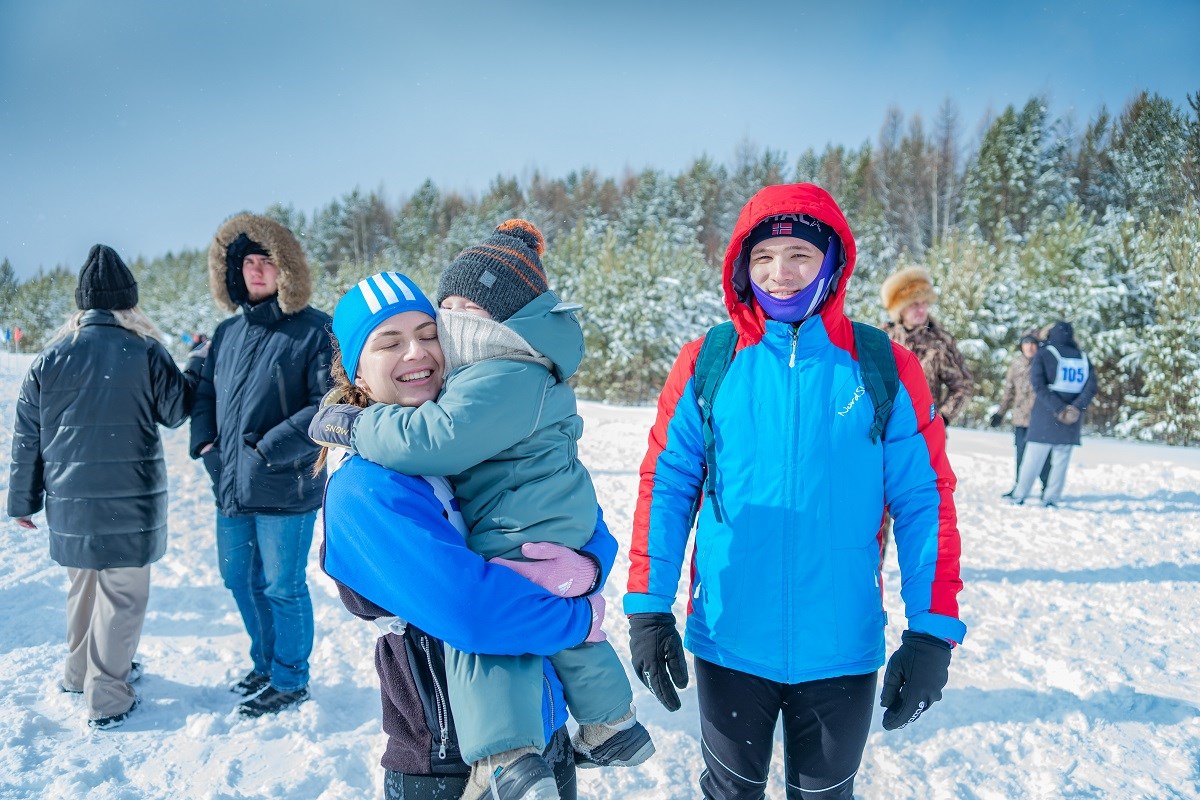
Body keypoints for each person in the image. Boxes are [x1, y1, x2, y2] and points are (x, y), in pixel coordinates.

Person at [626, 184, 966, 799]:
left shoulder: (883, 365)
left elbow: (925, 498)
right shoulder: (710, 359)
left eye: (800, 255)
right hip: (731, 636)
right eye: (763, 258)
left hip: (840, 645)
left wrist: (931, 630)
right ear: (741, 266)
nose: (780, 274)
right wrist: (649, 606)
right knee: (730, 792)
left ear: (833, 262)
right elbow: (668, 483)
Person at [311, 221, 652, 794]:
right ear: (356, 372)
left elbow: (568, 510)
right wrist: (579, 616)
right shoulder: (366, 488)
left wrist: (587, 563)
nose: (416, 352)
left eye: (428, 333)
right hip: (453, 764)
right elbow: (475, 614)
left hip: (545, 742)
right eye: (389, 343)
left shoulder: (466, 440)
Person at [7, 244, 202, 729]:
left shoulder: (49, 359)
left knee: (83, 589)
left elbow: (26, 438)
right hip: (128, 505)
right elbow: (177, 413)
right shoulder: (144, 351)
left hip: (70, 506)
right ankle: (108, 695)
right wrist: (194, 366)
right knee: (121, 596)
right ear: (127, 303)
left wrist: (22, 501)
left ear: (84, 303)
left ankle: (79, 672)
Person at [189, 213, 332, 717]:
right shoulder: (227, 333)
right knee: (239, 580)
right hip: (230, 484)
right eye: (247, 261)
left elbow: (328, 405)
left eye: (266, 261)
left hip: (285, 486)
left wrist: (269, 449)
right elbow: (205, 390)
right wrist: (206, 444)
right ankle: (265, 663)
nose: (255, 270)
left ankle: (291, 679)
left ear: (286, 269)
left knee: (282, 587)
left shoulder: (315, 331)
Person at [1009, 321, 1098, 508]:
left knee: (1032, 460)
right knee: (1060, 462)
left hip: (1045, 417)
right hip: (1071, 420)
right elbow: (1090, 388)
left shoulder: (1045, 354)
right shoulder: (1083, 357)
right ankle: (1051, 498)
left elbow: (1038, 385)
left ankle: (1020, 494)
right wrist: (1074, 408)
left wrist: (1058, 408)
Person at [880, 265, 974, 427]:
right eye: (914, 304)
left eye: (924, 303)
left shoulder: (940, 341)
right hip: (884, 430)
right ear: (900, 308)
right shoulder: (882, 337)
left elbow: (963, 385)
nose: (922, 309)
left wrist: (941, 419)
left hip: (923, 432)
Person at [991, 330, 1051, 498]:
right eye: (1026, 343)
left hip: (1040, 419)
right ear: (1022, 346)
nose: (1030, 347)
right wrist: (1000, 413)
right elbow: (1008, 391)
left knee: (1044, 457)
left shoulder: (1045, 363)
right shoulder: (1016, 364)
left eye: (1033, 343)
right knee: (1021, 454)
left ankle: (1046, 488)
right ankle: (1019, 487)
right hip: (1020, 418)